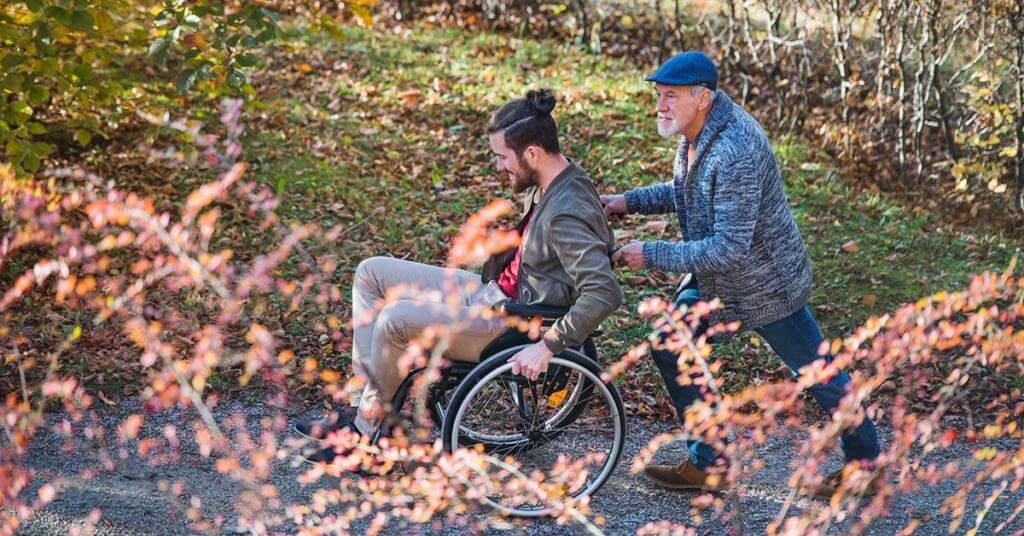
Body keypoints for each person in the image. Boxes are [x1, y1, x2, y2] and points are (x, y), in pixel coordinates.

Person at [602, 51, 881, 499]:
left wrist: (649, 253)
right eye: (658, 95)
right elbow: (687, 191)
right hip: (717, 279)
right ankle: (710, 464)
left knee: (819, 374)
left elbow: (729, 248)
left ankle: (866, 467)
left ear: (703, 97)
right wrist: (627, 201)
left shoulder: (735, 150)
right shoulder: (697, 133)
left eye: (669, 97)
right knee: (672, 346)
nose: (659, 106)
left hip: (764, 285)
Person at [296, 89, 623, 463]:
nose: (499, 167)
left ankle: (369, 434)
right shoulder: (558, 176)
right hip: (492, 293)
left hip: (512, 320)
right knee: (371, 273)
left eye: (502, 157)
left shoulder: (566, 210)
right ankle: (362, 409)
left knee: (394, 319)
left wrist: (548, 346)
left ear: (532, 153)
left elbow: (603, 292)